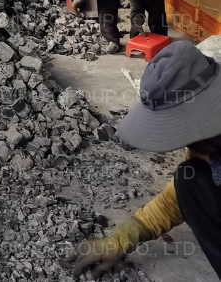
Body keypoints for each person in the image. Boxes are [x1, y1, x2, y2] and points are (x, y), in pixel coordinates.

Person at [72, 42, 221, 279]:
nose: (185, 143)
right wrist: (124, 238)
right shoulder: (207, 143)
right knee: (190, 180)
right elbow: (180, 198)